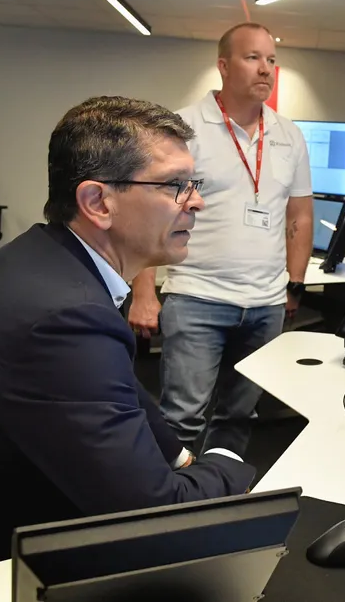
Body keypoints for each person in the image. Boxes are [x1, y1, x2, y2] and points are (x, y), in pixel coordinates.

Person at [0, 96, 256, 583]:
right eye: (175, 185)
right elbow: (153, 514)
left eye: (193, 184)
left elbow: (117, 388)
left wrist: (177, 453)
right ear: (97, 202)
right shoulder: (67, 316)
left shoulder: (43, 258)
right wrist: (227, 462)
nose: (196, 201)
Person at [128, 23, 313, 457]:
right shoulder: (183, 129)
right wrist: (144, 293)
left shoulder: (288, 134)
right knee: (183, 416)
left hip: (266, 304)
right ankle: (169, 493)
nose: (265, 68)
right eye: (253, 57)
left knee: (239, 415)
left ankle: (222, 487)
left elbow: (300, 214)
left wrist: (295, 283)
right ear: (224, 66)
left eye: (271, 59)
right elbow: (152, 212)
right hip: (198, 296)